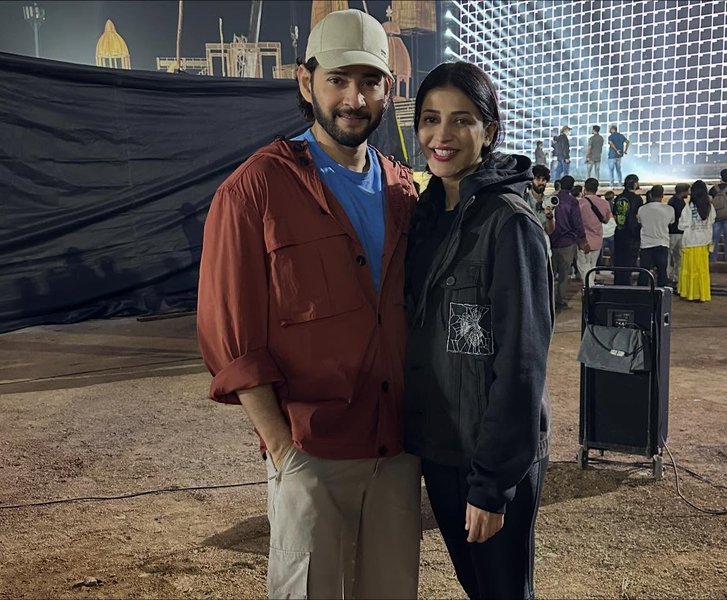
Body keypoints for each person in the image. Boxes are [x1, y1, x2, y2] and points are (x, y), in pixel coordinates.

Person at [196, 10, 421, 599]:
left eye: (369, 83)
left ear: (387, 89)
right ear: (305, 81)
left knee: (392, 589)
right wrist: (282, 449)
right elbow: (232, 334)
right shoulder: (256, 190)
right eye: (337, 80)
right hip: (311, 450)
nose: (354, 99)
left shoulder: (402, 190)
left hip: (398, 448)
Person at [405, 61, 553, 600]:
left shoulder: (509, 224)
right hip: (441, 449)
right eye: (430, 119)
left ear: (489, 131)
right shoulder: (426, 217)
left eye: (461, 120)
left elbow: (521, 366)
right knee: (478, 587)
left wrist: (492, 485)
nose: (441, 135)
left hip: (488, 458)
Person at [550, 175, 590, 310]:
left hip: (551, 241)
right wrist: (582, 239)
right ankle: (560, 301)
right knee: (564, 274)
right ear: (572, 187)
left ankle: (547, 300)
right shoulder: (572, 201)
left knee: (550, 274)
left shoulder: (551, 199)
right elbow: (577, 222)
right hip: (567, 242)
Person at [677, 180, 715, 301]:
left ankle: (689, 293)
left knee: (689, 269)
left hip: (690, 242)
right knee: (702, 269)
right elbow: (712, 220)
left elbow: (681, 225)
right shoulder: (709, 207)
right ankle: (702, 294)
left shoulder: (688, 207)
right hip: (704, 242)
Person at [576, 178, 612, 286]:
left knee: (583, 265)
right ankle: (591, 287)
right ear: (597, 189)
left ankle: (589, 287)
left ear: (585, 188)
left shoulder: (579, 203)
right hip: (597, 239)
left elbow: (575, 221)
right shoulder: (604, 203)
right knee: (592, 265)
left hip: (583, 240)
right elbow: (606, 220)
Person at [636, 185, 674, 287]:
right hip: (662, 243)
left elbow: (639, 221)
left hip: (646, 244)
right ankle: (661, 292)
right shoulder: (669, 209)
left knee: (644, 271)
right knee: (662, 272)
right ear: (662, 195)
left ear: (651, 195)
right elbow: (671, 222)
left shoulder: (642, 209)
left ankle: (642, 292)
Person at [612, 174, 643, 285]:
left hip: (620, 232)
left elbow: (615, 213)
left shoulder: (618, 198)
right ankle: (626, 285)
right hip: (632, 235)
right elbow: (638, 217)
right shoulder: (637, 199)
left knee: (619, 261)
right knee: (629, 262)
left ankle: (618, 284)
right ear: (634, 184)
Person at [667, 183, 690, 284]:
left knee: (677, 256)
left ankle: (675, 276)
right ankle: (671, 276)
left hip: (676, 231)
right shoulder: (676, 202)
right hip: (675, 232)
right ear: (683, 191)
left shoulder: (674, 201)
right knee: (674, 256)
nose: (688, 193)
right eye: (687, 191)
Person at [524, 164, 556, 236]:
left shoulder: (549, 201)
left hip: (543, 240)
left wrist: (549, 217)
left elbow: (550, 231)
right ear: (531, 180)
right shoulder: (524, 199)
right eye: (538, 179)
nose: (541, 182)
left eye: (544, 179)